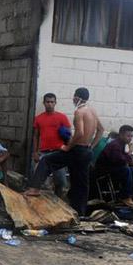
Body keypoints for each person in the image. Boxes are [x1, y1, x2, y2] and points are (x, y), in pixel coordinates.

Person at [28, 87, 104, 216]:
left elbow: (79, 133)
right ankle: (79, 212)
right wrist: (91, 145)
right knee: (80, 182)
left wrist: (68, 147)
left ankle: (34, 189)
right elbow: (101, 130)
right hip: (86, 151)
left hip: (78, 150)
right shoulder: (92, 111)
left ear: (77, 97)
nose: (73, 99)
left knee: (47, 160)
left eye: (74, 96)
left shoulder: (79, 112)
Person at [32, 93, 71, 196]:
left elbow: (69, 134)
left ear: (55, 103)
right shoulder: (38, 118)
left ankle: (57, 201)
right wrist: (35, 152)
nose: (50, 104)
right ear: (44, 103)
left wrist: (68, 148)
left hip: (58, 152)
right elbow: (35, 136)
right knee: (38, 182)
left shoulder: (62, 117)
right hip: (44, 153)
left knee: (61, 182)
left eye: (52, 102)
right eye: (47, 102)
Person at [95, 125, 133, 207]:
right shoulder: (115, 145)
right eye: (128, 136)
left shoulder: (122, 144)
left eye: (131, 136)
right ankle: (125, 196)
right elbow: (120, 161)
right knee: (126, 169)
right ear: (121, 135)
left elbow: (124, 161)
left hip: (113, 169)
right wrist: (130, 152)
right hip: (104, 171)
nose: (130, 138)